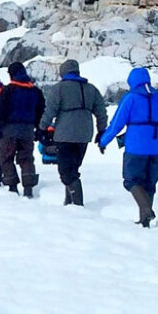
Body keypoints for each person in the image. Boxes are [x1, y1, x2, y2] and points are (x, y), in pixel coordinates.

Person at [98, 67, 158, 227]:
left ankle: (146, 210)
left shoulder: (130, 98)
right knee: (149, 185)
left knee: (131, 180)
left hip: (136, 148)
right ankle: (145, 221)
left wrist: (104, 141)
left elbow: (116, 124)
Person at [39, 59, 107, 206]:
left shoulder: (59, 89)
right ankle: (69, 202)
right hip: (85, 134)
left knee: (66, 171)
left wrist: (42, 128)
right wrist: (101, 130)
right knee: (73, 168)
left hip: (65, 134)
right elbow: (101, 112)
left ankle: (77, 204)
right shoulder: (91, 89)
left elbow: (50, 111)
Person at [0, 62, 45, 197]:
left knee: (6, 157)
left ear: (12, 74)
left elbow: (0, 111)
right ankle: (28, 188)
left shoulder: (8, 90)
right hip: (28, 130)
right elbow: (41, 112)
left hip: (9, 130)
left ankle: (12, 187)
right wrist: (39, 129)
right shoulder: (36, 91)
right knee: (26, 158)